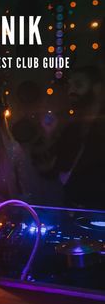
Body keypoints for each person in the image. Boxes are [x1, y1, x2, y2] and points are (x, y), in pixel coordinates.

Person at [55, 66, 105, 209]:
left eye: (78, 85)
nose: (71, 91)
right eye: (69, 85)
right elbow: (59, 174)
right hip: (72, 213)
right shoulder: (70, 128)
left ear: (97, 89)